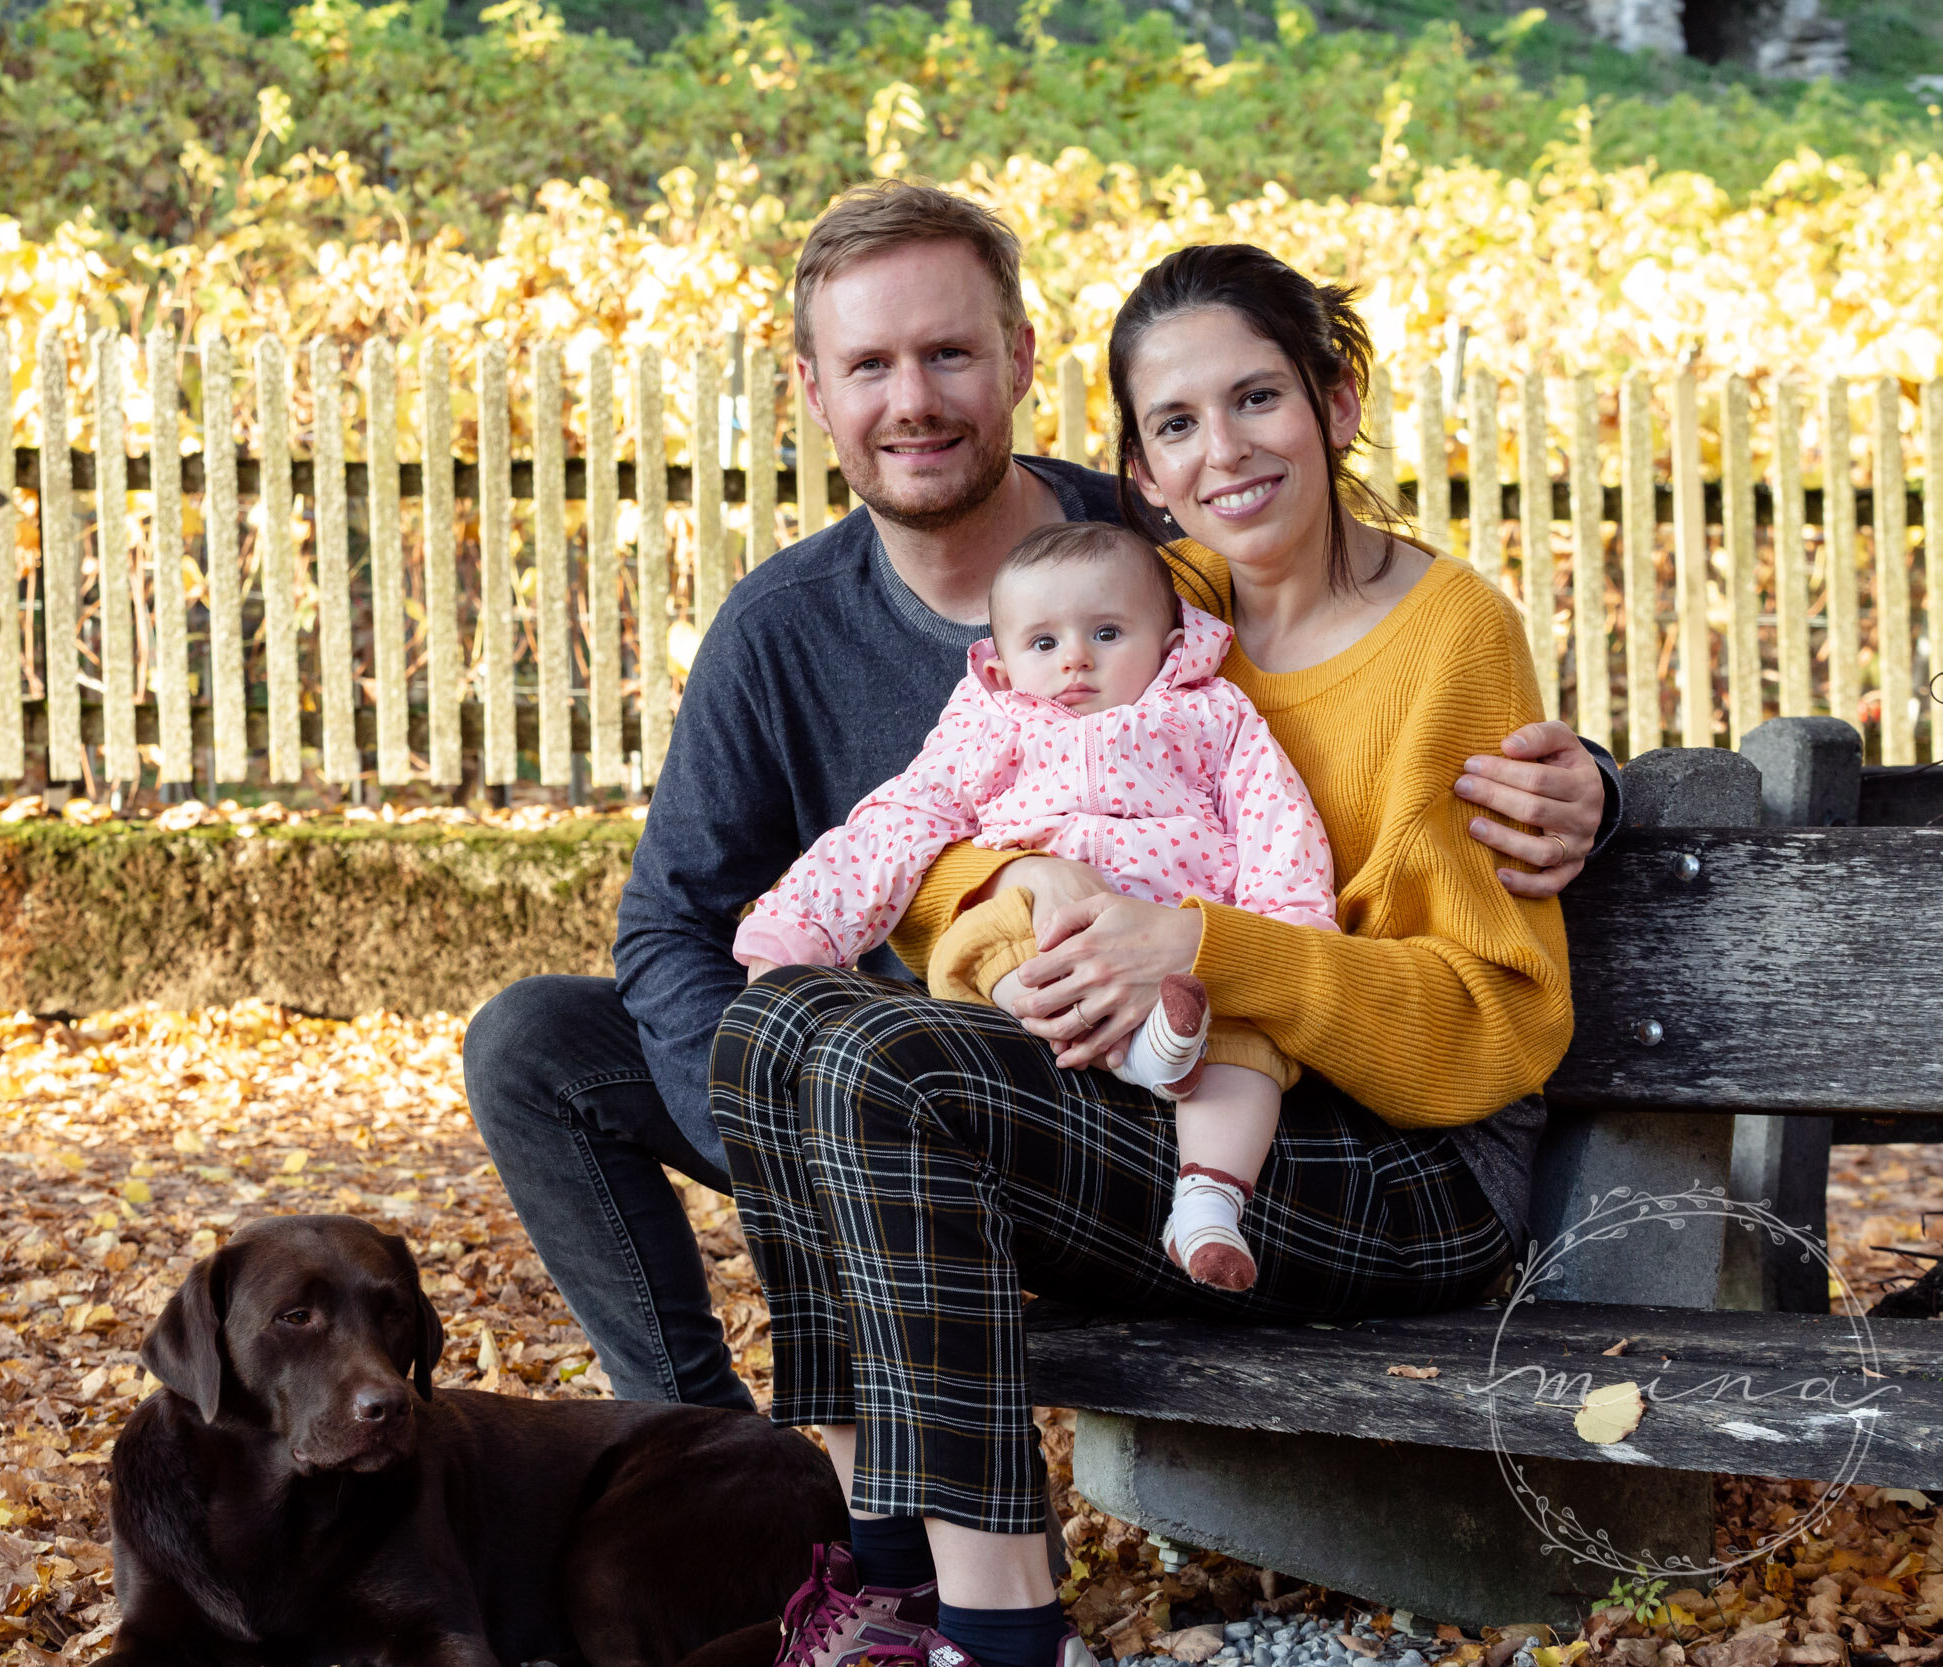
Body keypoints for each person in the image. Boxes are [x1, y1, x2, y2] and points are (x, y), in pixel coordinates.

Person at [461, 185, 1608, 1390]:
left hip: (1164, 1064)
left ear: (1017, 360)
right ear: (814, 392)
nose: (911, 401)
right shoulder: (783, 629)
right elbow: (672, 927)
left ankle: (925, 1543)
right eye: (870, 365)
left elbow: (1382, 676)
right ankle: (700, 1449)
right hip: (923, 1051)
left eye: (948, 352)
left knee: (868, 1060)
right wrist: (794, 1148)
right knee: (541, 1041)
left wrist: (1599, 790)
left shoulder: (1163, 564)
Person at [710, 238, 1582, 1667]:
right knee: (777, 1020)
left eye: (1257, 399)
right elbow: (951, 824)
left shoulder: (1448, 637)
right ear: (1144, 467)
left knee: (878, 1061)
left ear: (1338, 401)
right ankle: (883, 1577)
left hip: (1397, 1164)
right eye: (1177, 424)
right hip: (1156, 1107)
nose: (1224, 450)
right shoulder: (1135, 600)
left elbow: (1490, 1023)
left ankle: (999, 1631)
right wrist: (1037, 898)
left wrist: (1196, 943)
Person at [728, 518, 1338, 1291]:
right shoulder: (996, 721)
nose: (1075, 658)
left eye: (1108, 632)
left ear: (1169, 637)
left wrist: (1285, 934)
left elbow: (1276, 823)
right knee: (990, 934)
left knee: (1252, 1055)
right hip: (1042, 947)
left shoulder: (1212, 714)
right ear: (1005, 659)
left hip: (1183, 958)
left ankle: (1207, 1205)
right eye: (1042, 643)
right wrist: (800, 925)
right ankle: (1139, 1051)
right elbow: (902, 817)